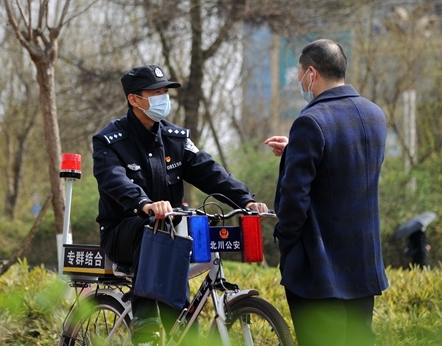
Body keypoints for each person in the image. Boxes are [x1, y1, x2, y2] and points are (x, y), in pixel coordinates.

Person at [92, 64, 268, 345]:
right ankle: (145, 326)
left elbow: (209, 171)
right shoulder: (110, 141)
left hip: (171, 231)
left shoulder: (176, 139)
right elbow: (112, 179)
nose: (163, 98)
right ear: (134, 99)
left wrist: (245, 199)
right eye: (156, 93)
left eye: (165, 92)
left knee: (181, 309)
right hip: (122, 233)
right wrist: (144, 203)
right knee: (150, 228)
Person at [265, 39, 389, 346]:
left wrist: (287, 241)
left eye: (299, 74)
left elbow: (294, 201)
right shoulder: (375, 115)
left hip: (320, 270)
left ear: (311, 72)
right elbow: (347, 167)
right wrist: (296, 150)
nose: (298, 81)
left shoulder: (310, 122)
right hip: (363, 265)